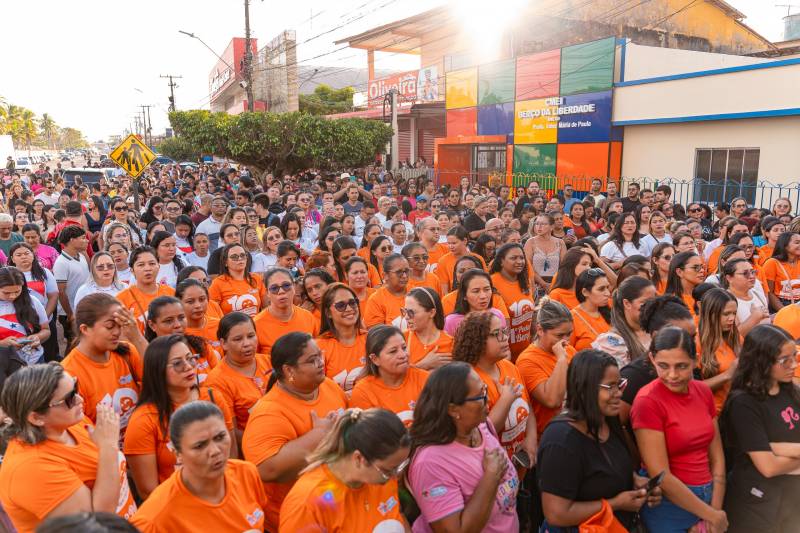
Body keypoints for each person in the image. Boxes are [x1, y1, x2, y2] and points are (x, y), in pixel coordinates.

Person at [0, 364, 137, 532]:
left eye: (76, 387)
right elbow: (97, 521)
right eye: (69, 398)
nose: (80, 399)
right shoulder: (31, 467)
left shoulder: (71, 422)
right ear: (36, 418)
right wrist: (108, 446)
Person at [538, 350, 660, 531]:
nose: (619, 393)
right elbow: (556, 514)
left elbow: (607, 466)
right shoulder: (560, 440)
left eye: (619, 384)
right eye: (610, 386)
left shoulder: (608, 420)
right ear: (585, 387)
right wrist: (615, 504)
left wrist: (635, 482)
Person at [241, 332, 347, 532]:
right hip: (296, 518)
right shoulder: (268, 413)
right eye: (311, 360)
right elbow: (266, 469)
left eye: (319, 356)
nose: (320, 363)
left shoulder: (328, 386)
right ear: (289, 370)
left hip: (333, 504)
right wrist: (318, 437)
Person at [631, 326, 728, 533]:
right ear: (651, 359)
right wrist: (711, 515)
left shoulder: (702, 391)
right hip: (669, 505)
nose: (672, 375)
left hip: (709, 496)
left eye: (682, 366)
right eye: (663, 366)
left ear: (695, 361)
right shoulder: (647, 401)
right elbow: (661, 475)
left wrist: (715, 511)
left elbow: (717, 458)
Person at [407, 362, 519, 532]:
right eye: (480, 395)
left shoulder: (481, 427)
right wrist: (491, 477)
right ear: (453, 409)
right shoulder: (431, 462)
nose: (487, 399)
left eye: (485, 390)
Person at [124, 335, 235, 500]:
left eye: (190, 359)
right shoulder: (143, 420)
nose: (188, 367)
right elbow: (149, 492)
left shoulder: (212, 397)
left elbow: (232, 456)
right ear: (158, 370)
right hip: (177, 507)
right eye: (177, 363)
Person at [130, 401, 269, 532]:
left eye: (220, 437)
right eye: (200, 446)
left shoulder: (246, 473)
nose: (215, 451)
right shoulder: (154, 519)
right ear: (178, 454)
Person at [720, 324, 800, 532]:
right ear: (761, 361)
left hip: (791, 500)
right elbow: (768, 467)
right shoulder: (744, 403)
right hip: (757, 506)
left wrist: (776, 448)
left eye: (795, 355)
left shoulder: (790, 390)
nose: (794, 364)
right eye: (785, 360)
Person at [279, 408, 410, 532]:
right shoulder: (307, 503)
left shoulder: (382, 477)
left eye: (399, 467)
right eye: (388, 470)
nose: (394, 476)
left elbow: (397, 516)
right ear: (359, 459)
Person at [452, 310, 537, 460]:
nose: (505, 338)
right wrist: (505, 400)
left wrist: (531, 438)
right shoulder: (469, 381)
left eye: (504, 331)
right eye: (496, 333)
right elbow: (481, 433)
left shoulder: (509, 366)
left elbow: (528, 406)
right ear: (477, 341)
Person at [205, 312, 271, 437]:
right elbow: (231, 433)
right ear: (223, 343)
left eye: (251, 336)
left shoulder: (269, 361)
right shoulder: (217, 381)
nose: (247, 343)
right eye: (238, 339)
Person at [516, 299, 575, 437]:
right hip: (549, 436)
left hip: (573, 428)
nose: (566, 341)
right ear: (540, 330)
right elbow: (552, 400)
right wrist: (561, 359)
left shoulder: (569, 350)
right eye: (559, 335)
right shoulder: (527, 360)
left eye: (569, 334)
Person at [350, 325, 429, 425]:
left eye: (404, 348)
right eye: (393, 351)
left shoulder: (426, 379)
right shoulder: (363, 392)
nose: (403, 355)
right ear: (375, 359)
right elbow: (368, 436)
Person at [315, 282, 368, 393]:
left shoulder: (370, 339)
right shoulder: (319, 347)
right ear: (328, 312)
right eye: (341, 305)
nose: (349, 308)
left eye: (353, 303)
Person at [592, 276, 656, 367]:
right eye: (645, 302)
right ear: (627, 303)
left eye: (654, 301)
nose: (652, 306)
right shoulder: (611, 341)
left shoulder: (658, 329)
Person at [253, 267, 318, 355]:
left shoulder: (308, 317)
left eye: (286, 285)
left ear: (294, 288)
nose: (281, 291)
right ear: (267, 292)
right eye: (274, 288)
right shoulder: (256, 324)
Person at [697, 288, 741, 412]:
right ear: (711, 313)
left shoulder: (735, 337)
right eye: (726, 314)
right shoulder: (696, 342)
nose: (732, 318)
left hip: (737, 410)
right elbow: (691, 388)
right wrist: (728, 375)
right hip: (714, 414)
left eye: (734, 313)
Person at [115, 247, 175, 332]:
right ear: (132, 270)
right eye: (141, 265)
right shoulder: (122, 299)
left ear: (158, 266)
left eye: (152, 263)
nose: (147, 268)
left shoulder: (171, 293)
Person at [490, 243, 535, 358]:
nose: (519, 261)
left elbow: (532, 315)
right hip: (503, 354)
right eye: (513, 258)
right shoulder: (491, 283)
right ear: (501, 261)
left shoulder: (525, 282)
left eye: (521, 257)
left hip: (525, 351)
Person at [0, 266, 51, 365]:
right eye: (6, 293)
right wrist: (2, 344)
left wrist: (38, 337)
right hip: (4, 364)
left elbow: (46, 330)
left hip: (34, 360)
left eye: (17, 291)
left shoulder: (32, 301)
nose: (12, 296)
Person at [52, 225, 90, 346]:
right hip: (70, 313)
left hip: (83, 308)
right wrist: (70, 315)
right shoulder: (61, 263)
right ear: (72, 240)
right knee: (73, 344)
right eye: (83, 238)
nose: (87, 240)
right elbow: (61, 292)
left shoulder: (82, 256)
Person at [208, 243, 267, 316]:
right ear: (225, 262)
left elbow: (266, 308)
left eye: (242, 255)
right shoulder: (217, 283)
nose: (239, 259)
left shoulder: (256, 278)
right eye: (234, 257)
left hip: (256, 325)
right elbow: (212, 313)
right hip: (230, 326)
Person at [443, 269, 507, 336]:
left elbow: (503, 343)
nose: (483, 296)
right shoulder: (451, 322)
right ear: (464, 295)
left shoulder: (497, 315)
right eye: (476, 291)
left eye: (487, 289)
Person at [404, 287, 453, 370]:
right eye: (405, 311)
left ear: (431, 313)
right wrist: (423, 365)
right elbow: (394, 378)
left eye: (411, 312)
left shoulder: (450, 343)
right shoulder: (402, 339)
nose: (406, 317)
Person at [569, 268, 612, 351]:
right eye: (601, 289)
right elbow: (567, 352)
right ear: (585, 292)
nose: (608, 293)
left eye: (607, 287)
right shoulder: (572, 318)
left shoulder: (612, 307)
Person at [364, 253, 410, 329]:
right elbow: (378, 335)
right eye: (399, 272)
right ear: (385, 275)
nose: (404, 276)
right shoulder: (376, 300)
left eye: (407, 271)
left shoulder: (416, 292)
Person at [436, 226, 486, 294]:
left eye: (454, 243)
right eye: (449, 243)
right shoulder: (443, 261)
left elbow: (485, 281)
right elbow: (444, 289)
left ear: (465, 241)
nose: (450, 246)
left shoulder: (478, 259)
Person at [177, 278, 221, 352]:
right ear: (179, 303)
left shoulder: (220, 325)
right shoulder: (179, 333)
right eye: (190, 301)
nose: (198, 305)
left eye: (202, 299)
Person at [762, 231, 800, 311]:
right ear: (785, 245)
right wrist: (784, 312)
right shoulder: (772, 263)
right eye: (797, 242)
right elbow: (769, 292)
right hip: (781, 304)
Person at [664, 250, 705, 318]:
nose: (702, 270)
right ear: (679, 272)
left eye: (702, 267)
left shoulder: (707, 294)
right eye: (696, 267)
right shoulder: (670, 303)